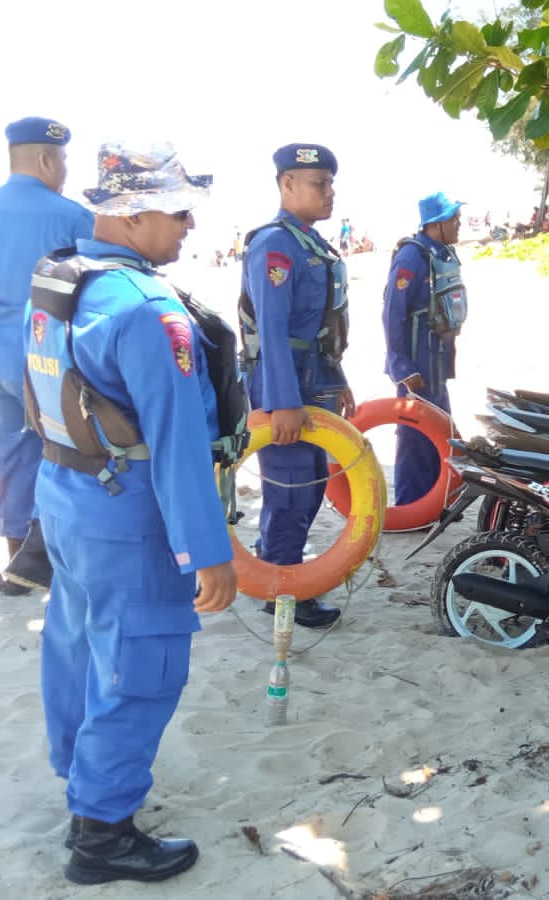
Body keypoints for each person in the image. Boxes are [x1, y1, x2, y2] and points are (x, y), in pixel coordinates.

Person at [25, 142, 237, 885]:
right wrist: (206, 551)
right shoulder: (149, 310)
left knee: (78, 644)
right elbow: (178, 446)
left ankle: (78, 774)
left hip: (66, 495)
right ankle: (102, 834)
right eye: (176, 211)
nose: (186, 225)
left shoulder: (61, 281)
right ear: (134, 212)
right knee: (143, 666)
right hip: (129, 511)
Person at [0, 116, 94, 595]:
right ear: (45, 159)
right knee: (60, 454)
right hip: (50, 356)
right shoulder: (74, 217)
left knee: (9, 454)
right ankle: (50, 559)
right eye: (62, 160)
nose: (65, 170)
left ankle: (17, 561)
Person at [239, 143, 356, 630]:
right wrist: (282, 404)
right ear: (287, 185)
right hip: (284, 378)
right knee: (289, 490)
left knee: (309, 487)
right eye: (318, 184)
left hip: (316, 376)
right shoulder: (274, 245)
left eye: (330, 184)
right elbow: (271, 330)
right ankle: (281, 591)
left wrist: (340, 379)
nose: (330, 193)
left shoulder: (309, 242)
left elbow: (324, 325)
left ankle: (277, 572)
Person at [383, 192, 467, 505]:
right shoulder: (411, 258)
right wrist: (402, 367)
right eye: (452, 219)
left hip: (438, 363)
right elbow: (392, 313)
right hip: (417, 366)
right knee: (414, 438)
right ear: (434, 224)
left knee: (440, 430)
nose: (459, 224)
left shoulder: (442, 254)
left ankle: (433, 503)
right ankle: (409, 506)